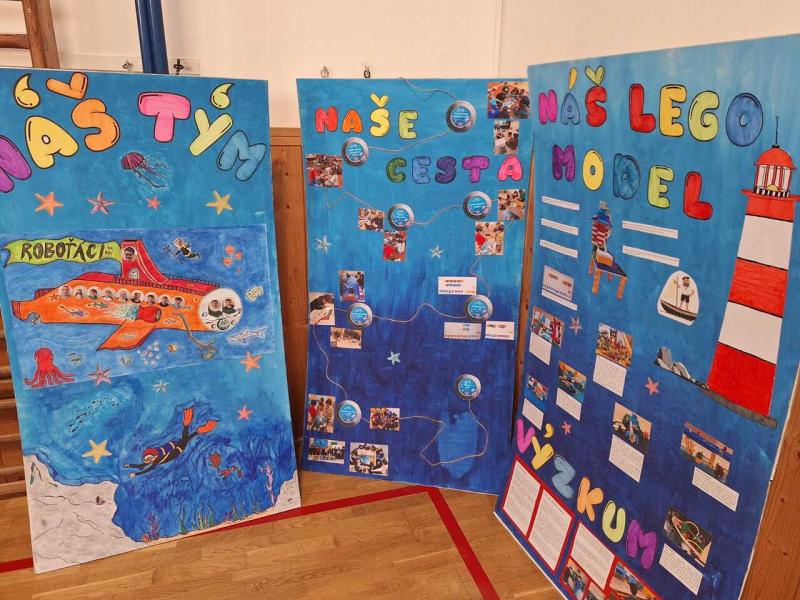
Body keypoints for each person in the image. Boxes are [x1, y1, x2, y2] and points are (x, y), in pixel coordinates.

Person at [123, 407, 217, 477]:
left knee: (186, 436)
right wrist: (129, 465)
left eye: (148, 458)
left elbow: (147, 469)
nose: (148, 461)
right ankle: (196, 426)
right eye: (147, 460)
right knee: (187, 437)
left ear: (153, 456)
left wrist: (135, 474)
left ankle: (190, 423)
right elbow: (142, 465)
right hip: (177, 448)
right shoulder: (156, 459)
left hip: (178, 448)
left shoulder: (157, 460)